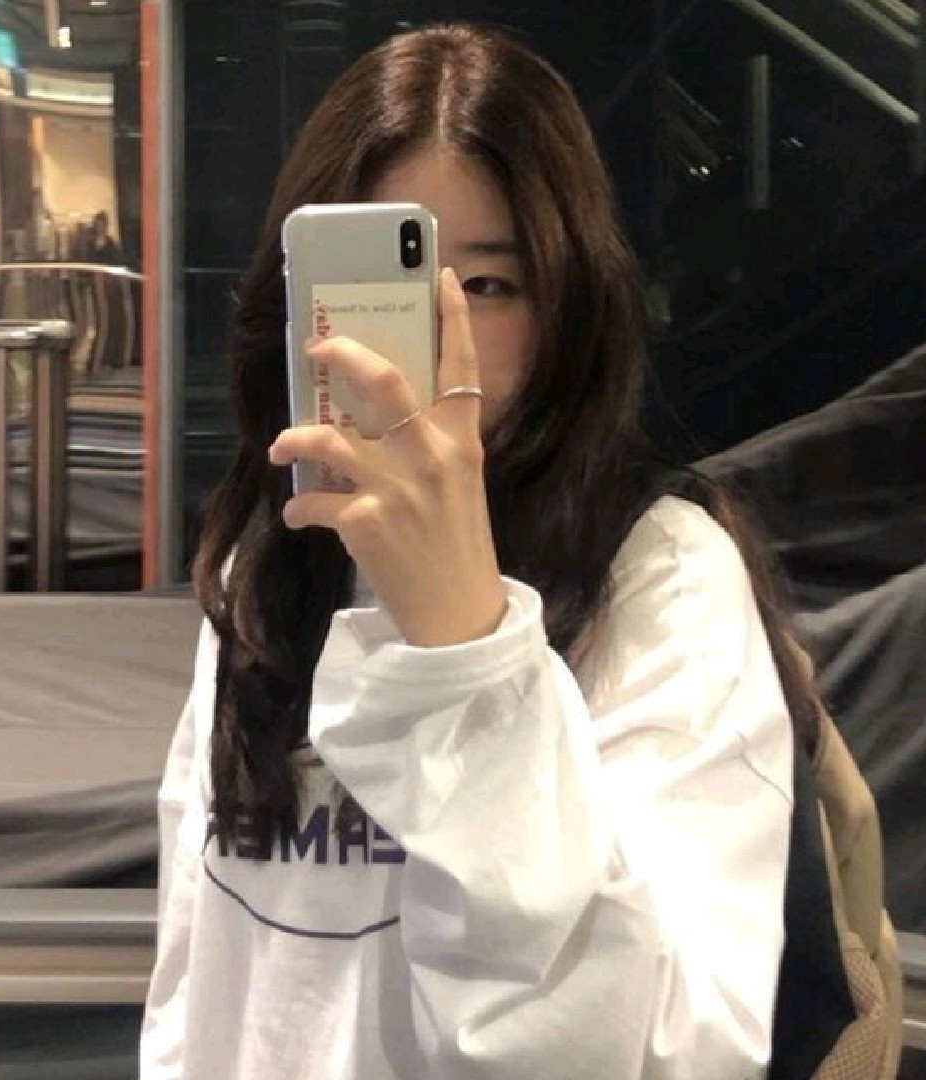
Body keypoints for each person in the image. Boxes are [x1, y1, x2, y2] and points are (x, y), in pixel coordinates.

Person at [142, 22, 819, 1080]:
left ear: (565, 306)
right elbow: (200, 969)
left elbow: (656, 1056)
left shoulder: (662, 579)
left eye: (490, 286)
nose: (433, 339)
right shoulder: (267, 563)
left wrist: (464, 642)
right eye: (379, 289)